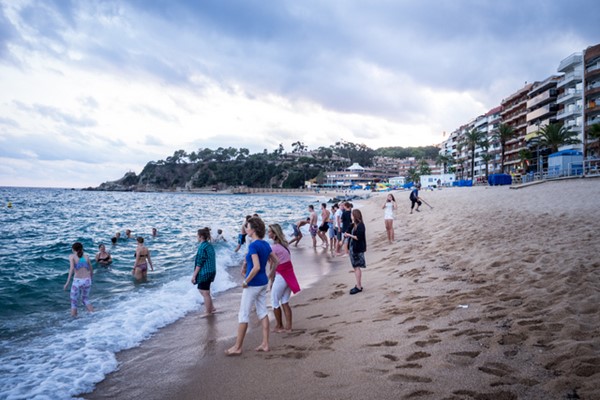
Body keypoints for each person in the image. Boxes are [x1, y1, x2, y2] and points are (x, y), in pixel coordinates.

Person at [226, 216, 276, 356]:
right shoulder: (265, 244)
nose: (245, 229)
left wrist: (245, 281)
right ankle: (265, 344)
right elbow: (276, 260)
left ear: (253, 230)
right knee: (262, 312)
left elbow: (256, 266)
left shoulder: (253, 245)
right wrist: (269, 274)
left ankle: (237, 347)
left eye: (247, 227)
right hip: (262, 282)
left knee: (243, 314)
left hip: (253, 284)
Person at [268, 224, 301, 333]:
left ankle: (279, 326)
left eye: (270, 232)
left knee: (274, 301)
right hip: (289, 276)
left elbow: (272, 265)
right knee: (285, 301)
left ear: (274, 234)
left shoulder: (273, 248)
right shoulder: (284, 245)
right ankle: (288, 327)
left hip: (281, 276)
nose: (268, 233)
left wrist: (271, 280)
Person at [64, 242, 94, 317]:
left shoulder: (72, 256)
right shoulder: (86, 257)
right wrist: (90, 279)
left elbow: (71, 269)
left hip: (78, 281)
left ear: (73, 249)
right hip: (87, 280)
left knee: (74, 302)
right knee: (85, 300)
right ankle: (94, 315)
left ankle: (74, 321)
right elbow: (91, 269)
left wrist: (67, 282)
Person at [192, 228, 217, 316]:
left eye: (197, 236)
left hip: (205, 272)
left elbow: (199, 263)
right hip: (211, 270)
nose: (197, 237)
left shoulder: (202, 247)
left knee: (204, 292)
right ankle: (211, 307)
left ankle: (208, 311)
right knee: (205, 290)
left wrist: (194, 275)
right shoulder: (209, 245)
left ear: (201, 236)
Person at [344, 209, 366, 295]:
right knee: (355, 267)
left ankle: (359, 286)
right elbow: (348, 230)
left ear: (355, 216)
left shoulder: (361, 225)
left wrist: (349, 235)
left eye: (352, 215)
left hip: (357, 249)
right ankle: (358, 285)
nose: (351, 216)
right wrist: (346, 234)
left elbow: (358, 237)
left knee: (356, 267)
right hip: (353, 248)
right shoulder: (354, 225)